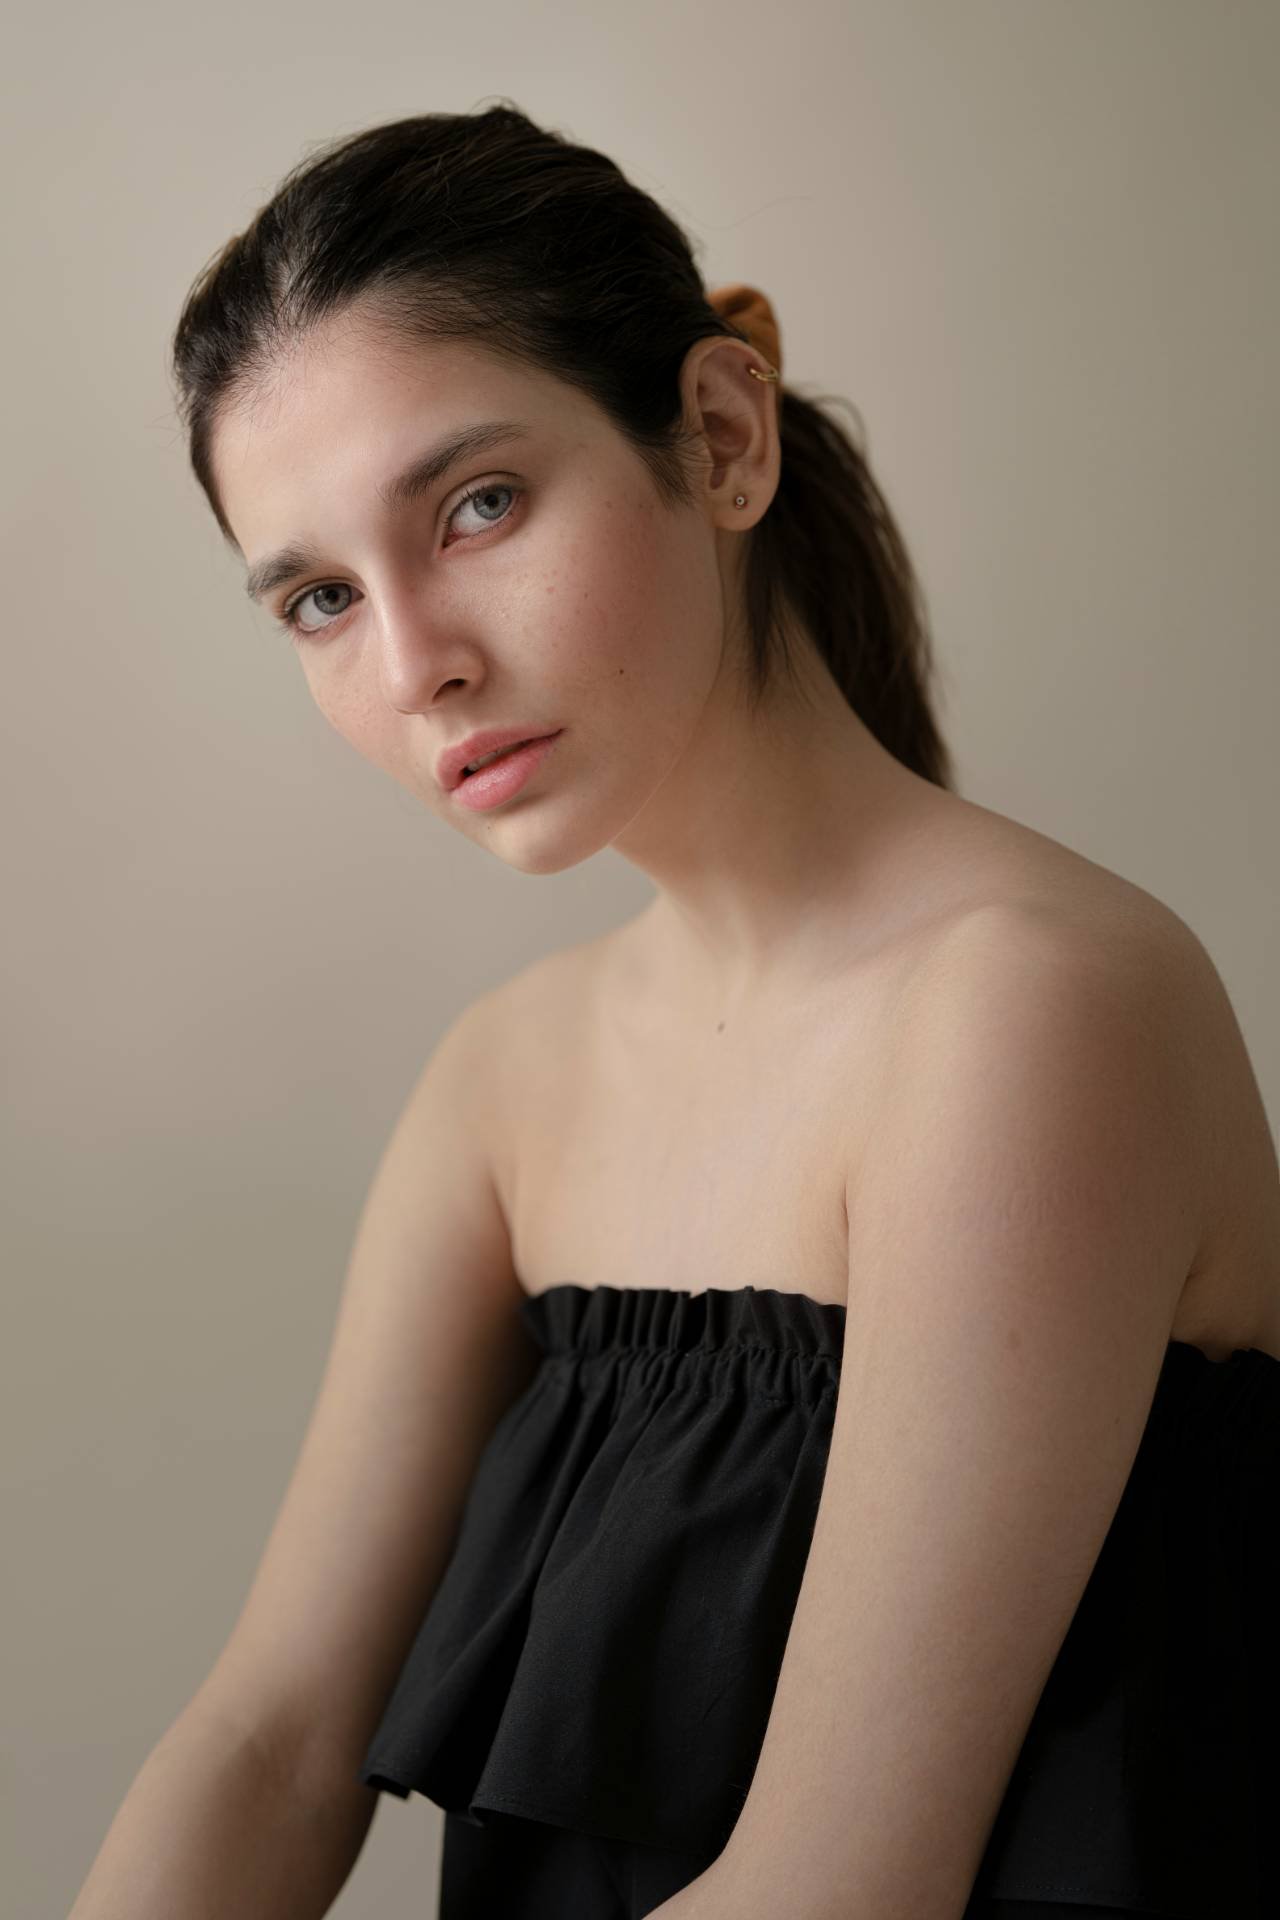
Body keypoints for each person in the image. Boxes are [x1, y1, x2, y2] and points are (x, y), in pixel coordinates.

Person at [70, 102, 1279, 1920]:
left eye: (478, 506)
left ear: (720, 437)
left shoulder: (1031, 1009)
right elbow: (272, 1742)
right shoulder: (508, 1082)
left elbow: (843, 1880)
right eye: (319, 598)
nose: (415, 664)